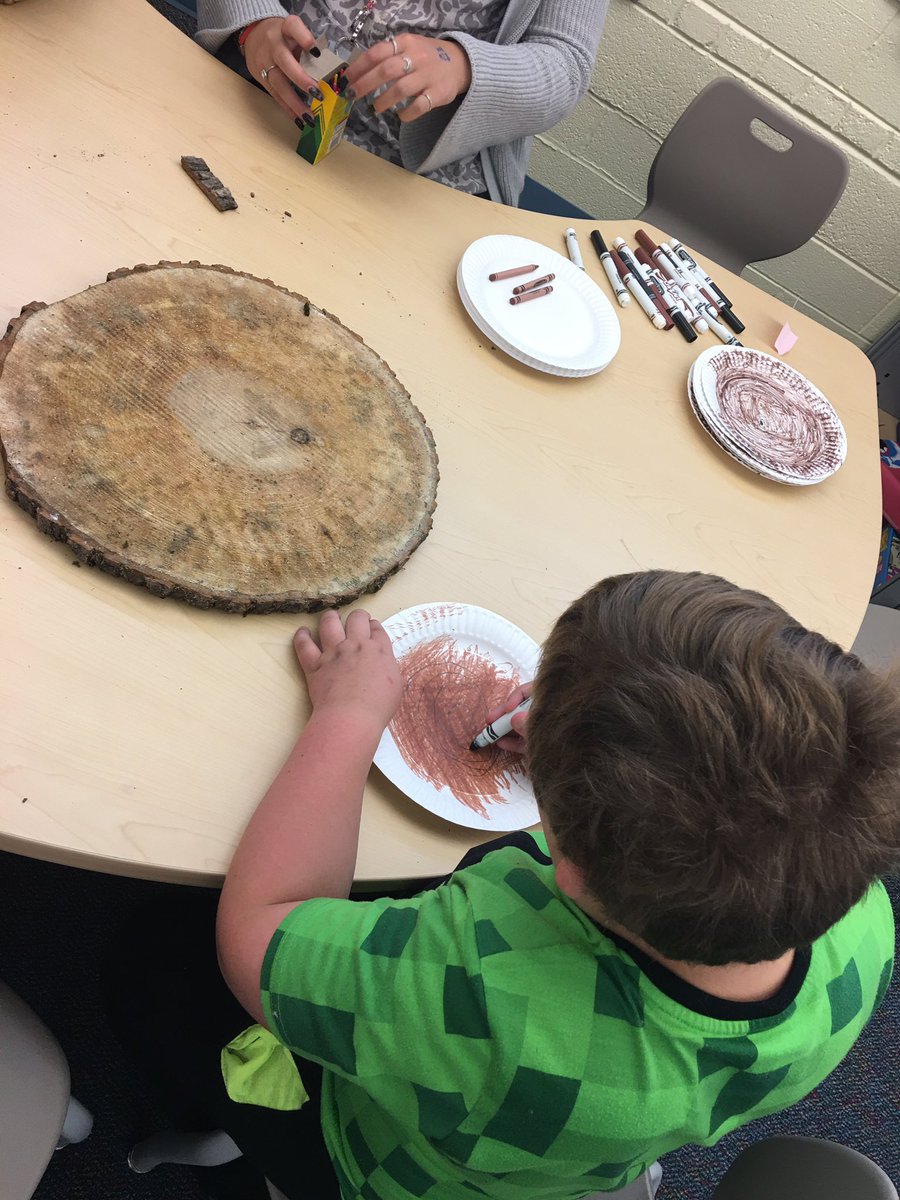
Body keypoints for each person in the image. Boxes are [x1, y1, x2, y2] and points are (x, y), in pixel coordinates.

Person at [194, 570, 899, 1199]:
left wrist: (346, 717)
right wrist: (596, 762)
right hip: (595, 1140)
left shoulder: (477, 993)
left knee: (152, 960)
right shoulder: (866, 921)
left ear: (562, 861)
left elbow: (259, 925)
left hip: (391, 1165)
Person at [194, 0, 609, 204]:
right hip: (265, 104)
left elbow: (565, 66)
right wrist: (252, 21)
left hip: (417, 183)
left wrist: (464, 64)